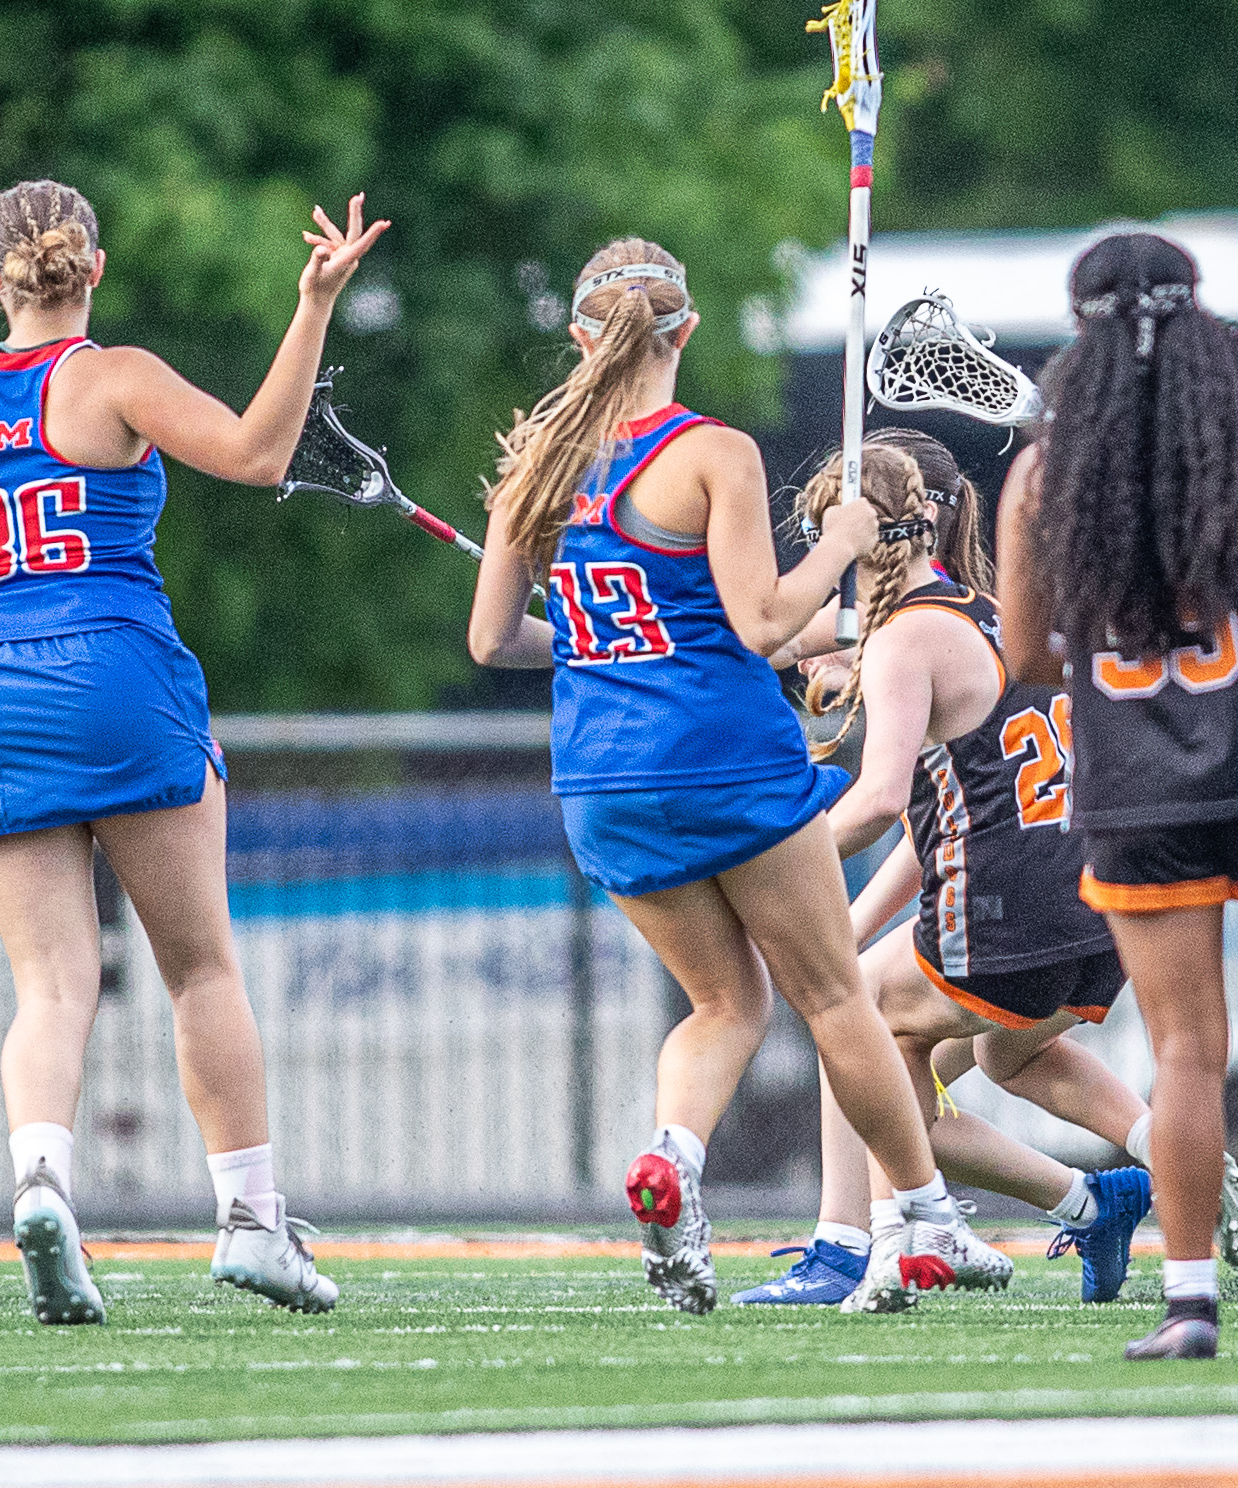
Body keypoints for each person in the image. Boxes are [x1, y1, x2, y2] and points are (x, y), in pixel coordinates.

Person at [0, 179, 386, 1324]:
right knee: (199, 969)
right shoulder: (115, 379)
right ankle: (252, 1221)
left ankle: (42, 1184)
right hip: (117, 678)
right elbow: (258, 453)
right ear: (92, 267)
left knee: (52, 985)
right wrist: (313, 305)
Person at [466, 240, 994, 1315]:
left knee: (723, 1002)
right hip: (727, 761)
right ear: (687, 329)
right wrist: (842, 541)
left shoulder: (537, 465)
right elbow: (762, 619)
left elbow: (494, 640)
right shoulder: (712, 453)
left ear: (580, 336)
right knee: (833, 997)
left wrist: (604, 641)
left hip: (602, 781)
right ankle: (927, 1213)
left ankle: (673, 1154)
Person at [734, 431, 1238, 1311]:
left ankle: (885, 1237)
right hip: (1094, 906)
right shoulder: (997, 614)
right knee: (995, 1057)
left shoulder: (904, 639)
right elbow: (780, 642)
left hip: (1012, 906)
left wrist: (772, 868)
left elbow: (879, 800)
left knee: (854, 1017)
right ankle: (1134, 1169)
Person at [999, 231, 1238, 1360]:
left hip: (1134, 794)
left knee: (1185, 1053)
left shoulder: (1045, 475)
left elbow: (1023, 654)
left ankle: (1190, 1304)